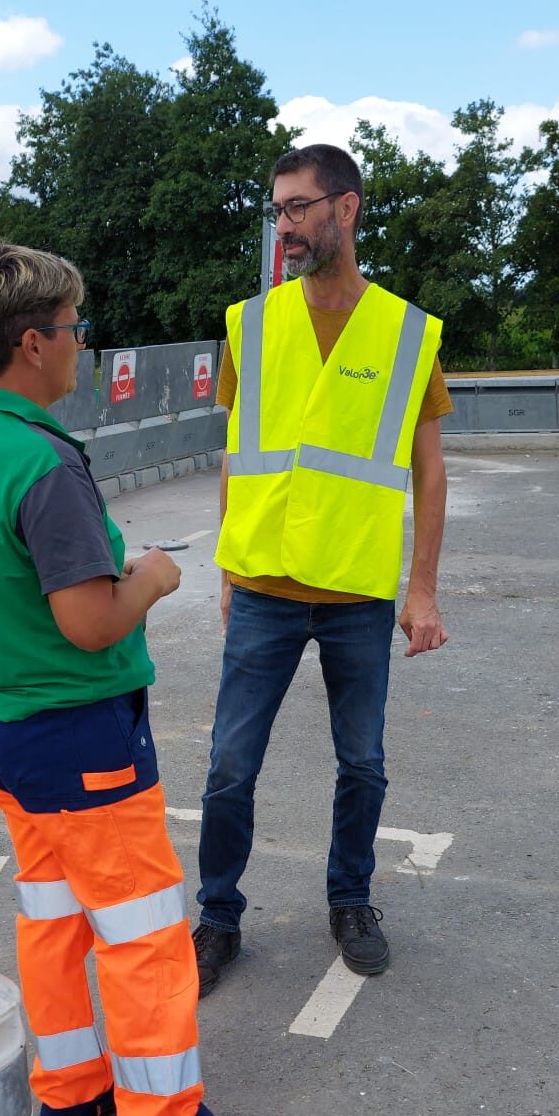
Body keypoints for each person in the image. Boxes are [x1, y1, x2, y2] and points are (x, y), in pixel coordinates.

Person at [0, 242, 273, 1116]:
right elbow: (88, 623)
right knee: (144, 934)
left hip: (4, 725)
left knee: (52, 917)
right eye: (75, 328)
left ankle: (72, 1089)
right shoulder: (42, 462)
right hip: (80, 736)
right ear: (34, 342)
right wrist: (153, 577)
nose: (84, 344)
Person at [194, 145, 450, 996]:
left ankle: (351, 901)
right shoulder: (250, 323)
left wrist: (422, 589)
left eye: (299, 207)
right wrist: (228, 564)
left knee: (363, 764)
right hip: (264, 585)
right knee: (231, 764)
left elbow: (429, 465)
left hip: (356, 592)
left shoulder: (408, 334)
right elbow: (237, 453)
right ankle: (219, 917)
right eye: (277, 210)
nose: (285, 226)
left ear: (347, 209)